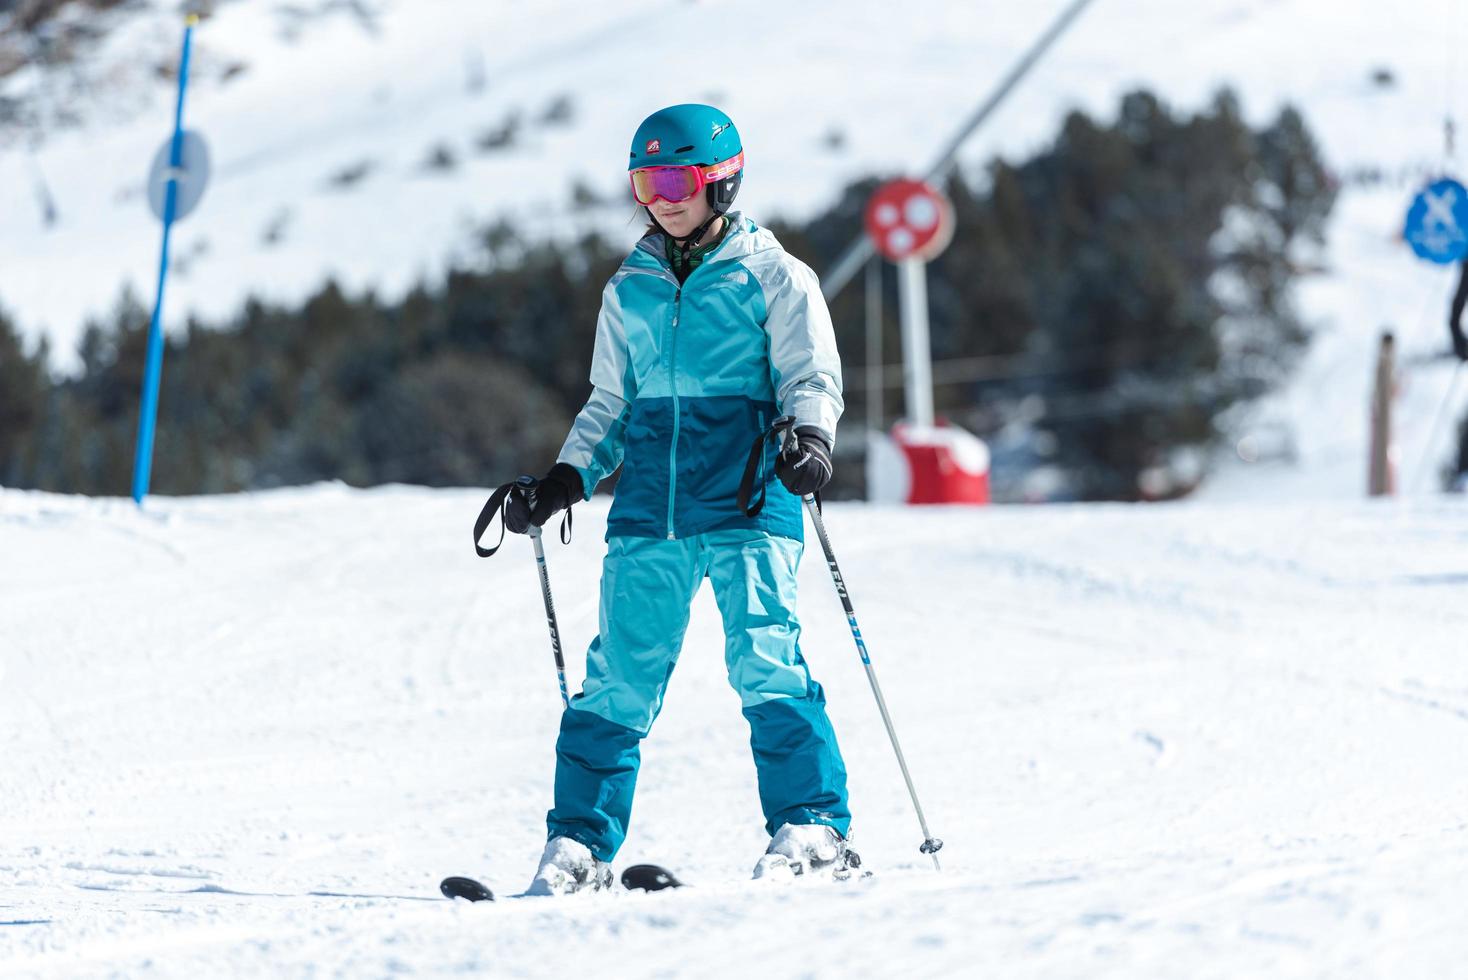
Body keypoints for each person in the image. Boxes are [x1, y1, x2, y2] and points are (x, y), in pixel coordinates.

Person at [503, 104, 854, 893]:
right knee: (619, 677)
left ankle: (813, 828)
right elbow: (609, 408)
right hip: (650, 510)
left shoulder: (776, 277)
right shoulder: (629, 287)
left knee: (765, 660)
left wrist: (812, 437)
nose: (659, 197)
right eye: (644, 180)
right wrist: (565, 481)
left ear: (721, 180)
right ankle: (580, 846)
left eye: (675, 179)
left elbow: (811, 377)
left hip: (749, 499)